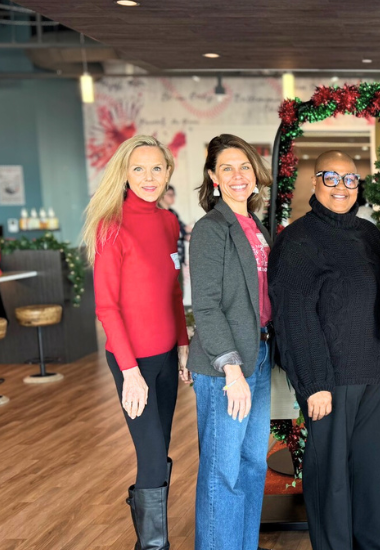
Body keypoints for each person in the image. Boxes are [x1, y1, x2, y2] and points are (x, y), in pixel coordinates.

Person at [268, 150, 380, 550]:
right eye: (331, 177)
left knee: (375, 476)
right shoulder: (297, 240)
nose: (341, 187)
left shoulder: (371, 235)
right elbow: (294, 317)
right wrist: (314, 383)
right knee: (332, 483)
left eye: (350, 179)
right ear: (314, 183)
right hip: (331, 382)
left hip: (378, 379)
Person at [80, 135, 188, 550]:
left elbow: (173, 290)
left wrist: (182, 344)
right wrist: (130, 373)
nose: (148, 177)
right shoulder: (111, 225)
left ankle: (148, 530)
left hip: (165, 353)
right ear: (124, 174)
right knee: (150, 454)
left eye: (157, 168)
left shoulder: (168, 222)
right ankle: (153, 545)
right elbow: (107, 308)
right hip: (132, 360)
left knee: (160, 451)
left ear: (168, 173)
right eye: (138, 169)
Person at [184, 134, 273, 550]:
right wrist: (231, 369)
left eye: (244, 166)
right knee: (223, 470)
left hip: (260, 355)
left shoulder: (257, 227)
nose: (238, 176)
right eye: (226, 168)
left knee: (253, 465)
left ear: (255, 173)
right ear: (213, 178)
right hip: (227, 367)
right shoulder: (210, 229)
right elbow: (205, 306)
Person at [159, 184, 189, 267]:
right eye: (169, 194)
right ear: (161, 196)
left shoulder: (173, 212)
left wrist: (186, 232)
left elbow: (182, 227)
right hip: (166, 257)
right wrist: (183, 233)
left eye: (173, 194)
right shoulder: (158, 213)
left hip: (178, 255)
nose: (173, 197)